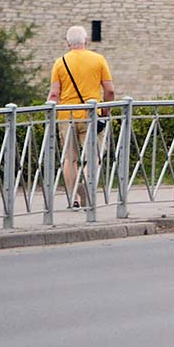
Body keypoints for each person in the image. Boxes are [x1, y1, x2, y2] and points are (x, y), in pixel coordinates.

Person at [47, 25, 115, 209]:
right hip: (91, 115)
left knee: (70, 159)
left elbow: (54, 94)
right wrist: (106, 109)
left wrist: (49, 111)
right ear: (86, 41)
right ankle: (84, 183)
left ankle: (74, 197)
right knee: (94, 157)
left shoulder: (60, 62)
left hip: (66, 115)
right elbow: (109, 90)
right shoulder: (98, 60)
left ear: (68, 43)